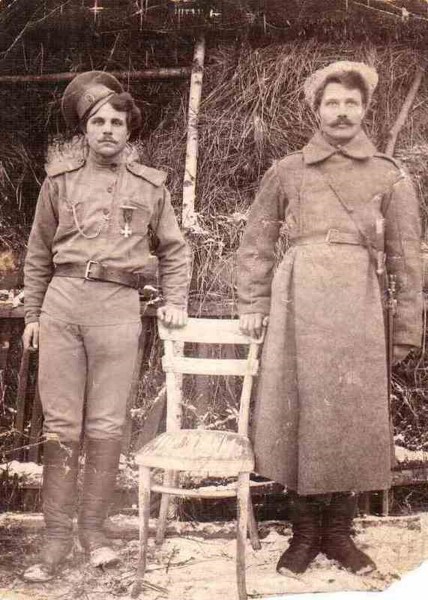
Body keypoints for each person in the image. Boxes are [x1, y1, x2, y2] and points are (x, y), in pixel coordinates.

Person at [237, 61, 422, 576]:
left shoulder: (389, 174)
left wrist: (407, 325)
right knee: (297, 410)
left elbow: (407, 255)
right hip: (298, 302)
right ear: (316, 111)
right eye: (332, 103)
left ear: (365, 110)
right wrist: (253, 304)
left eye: (351, 103)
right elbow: (256, 244)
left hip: (359, 304)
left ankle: (340, 535)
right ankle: (303, 535)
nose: (342, 112)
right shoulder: (288, 170)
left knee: (349, 415)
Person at [21, 71, 189, 582]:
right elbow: (37, 254)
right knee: (61, 425)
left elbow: (175, 251)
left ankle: (94, 533)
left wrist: (175, 301)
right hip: (63, 306)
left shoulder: (150, 186)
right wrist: (33, 315)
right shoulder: (59, 183)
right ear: (85, 130)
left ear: (128, 130)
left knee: (107, 424)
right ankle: (55, 540)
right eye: (98, 122)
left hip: (117, 307)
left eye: (117, 122)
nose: (108, 130)